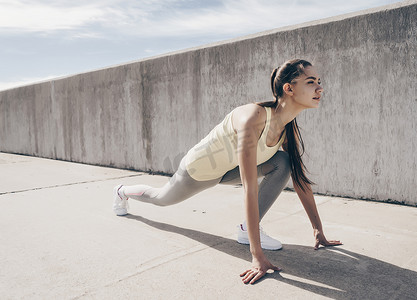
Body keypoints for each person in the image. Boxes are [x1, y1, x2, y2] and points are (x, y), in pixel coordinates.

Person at [113, 58, 342, 284]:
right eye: (311, 82)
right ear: (289, 88)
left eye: (319, 81)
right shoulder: (253, 118)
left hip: (228, 170)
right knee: (160, 198)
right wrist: (257, 255)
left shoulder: (286, 127)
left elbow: (300, 180)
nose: (320, 88)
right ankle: (122, 191)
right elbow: (249, 189)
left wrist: (318, 230)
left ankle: (246, 229)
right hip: (199, 170)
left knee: (284, 162)